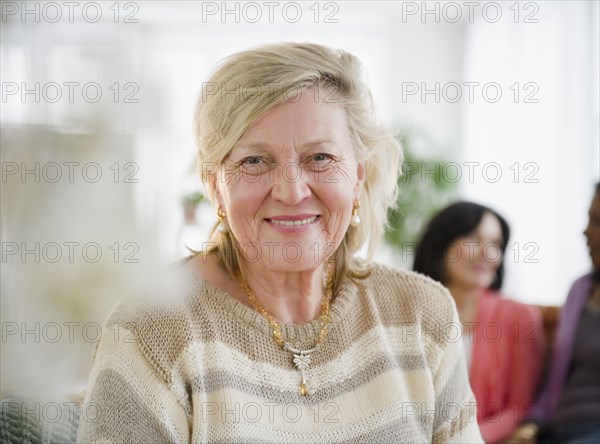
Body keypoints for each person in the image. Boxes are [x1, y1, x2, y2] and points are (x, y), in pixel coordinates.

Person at [76, 42, 483, 443]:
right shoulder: (150, 329)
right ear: (215, 187)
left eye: (320, 157)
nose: (291, 191)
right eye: (255, 161)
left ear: (357, 177)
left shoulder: (421, 313)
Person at [413, 202, 544, 443]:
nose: (488, 253)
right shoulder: (408, 313)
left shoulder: (520, 317)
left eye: (496, 244)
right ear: (442, 243)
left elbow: (519, 407)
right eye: (474, 237)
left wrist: (466, 438)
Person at [526, 183, 600, 444]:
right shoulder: (580, 289)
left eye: (597, 222)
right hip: (558, 431)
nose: (585, 231)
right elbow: (556, 378)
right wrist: (532, 424)